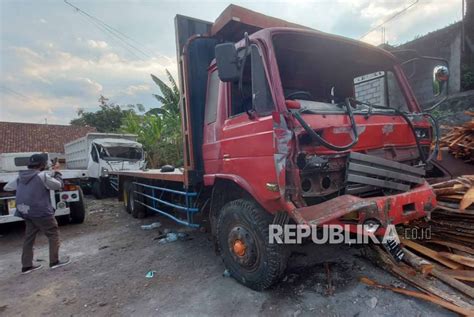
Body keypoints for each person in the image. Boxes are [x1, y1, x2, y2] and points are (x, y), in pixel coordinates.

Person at [3, 153, 70, 274]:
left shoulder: (20, 177)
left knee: (29, 238)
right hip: (41, 212)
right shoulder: (42, 175)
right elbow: (58, 185)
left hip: (26, 211)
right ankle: (54, 261)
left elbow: (7, 187)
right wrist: (57, 173)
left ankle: (26, 266)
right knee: (53, 234)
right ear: (42, 164)